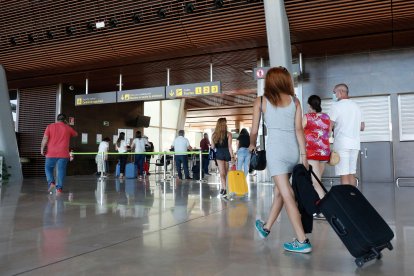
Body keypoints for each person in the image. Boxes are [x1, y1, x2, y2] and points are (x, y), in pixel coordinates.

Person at [251, 67, 311, 254]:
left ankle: (302, 240)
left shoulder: (261, 101)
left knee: (287, 194)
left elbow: (254, 130)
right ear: (286, 81)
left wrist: (252, 144)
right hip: (293, 149)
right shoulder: (295, 101)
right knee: (280, 191)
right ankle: (266, 227)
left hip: (276, 151)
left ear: (269, 81)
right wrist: (304, 155)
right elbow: (299, 130)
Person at [330, 83, 365, 186]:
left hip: (342, 144)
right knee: (351, 174)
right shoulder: (357, 106)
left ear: (340, 92)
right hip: (355, 144)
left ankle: (346, 201)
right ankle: (353, 199)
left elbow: (329, 125)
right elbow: (362, 127)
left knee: (344, 174)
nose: (334, 95)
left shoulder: (336, 106)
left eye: (334, 92)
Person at [41, 113, 78, 195]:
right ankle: (59, 189)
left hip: (51, 153)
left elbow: (45, 139)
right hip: (64, 153)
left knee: (48, 168)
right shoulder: (68, 128)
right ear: (65, 120)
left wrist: (42, 149)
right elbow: (76, 134)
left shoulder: (50, 126)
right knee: (61, 170)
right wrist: (68, 125)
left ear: (57, 119)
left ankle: (51, 183)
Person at [303, 95, 330, 199]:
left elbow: (299, 131)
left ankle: (322, 209)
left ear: (309, 105)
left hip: (312, 152)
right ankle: (315, 202)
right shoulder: (326, 117)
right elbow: (329, 133)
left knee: (316, 182)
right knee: (318, 180)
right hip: (324, 152)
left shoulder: (307, 117)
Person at [211, 118, 234, 197]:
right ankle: (225, 188)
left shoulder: (214, 135)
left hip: (219, 154)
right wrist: (232, 157)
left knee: (222, 173)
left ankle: (224, 188)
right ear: (224, 124)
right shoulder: (229, 134)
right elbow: (230, 147)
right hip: (227, 154)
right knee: (226, 173)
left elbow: (213, 147)